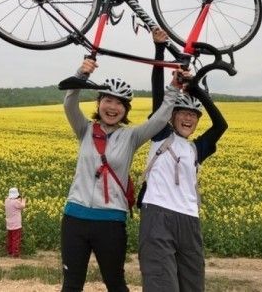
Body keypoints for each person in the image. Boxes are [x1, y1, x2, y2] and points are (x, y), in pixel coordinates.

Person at [61, 49, 188, 292]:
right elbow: (69, 103)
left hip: (110, 222)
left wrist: (174, 87)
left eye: (120, 102)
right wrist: (82, 74)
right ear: (99, 103)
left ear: (125, 110)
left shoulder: (130, 137)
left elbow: (160, 119)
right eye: (108, 99)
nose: (113, 106)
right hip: (74, 219)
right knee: (71, 285)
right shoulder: (85, 129)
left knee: (116, 284)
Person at [138, 29, 228, 292]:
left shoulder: (196, 149)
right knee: (160, 285)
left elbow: (221, 125)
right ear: (172, 116)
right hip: (157, 214)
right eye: (182, 113)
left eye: (194, 116)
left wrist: (197, 91)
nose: (188, 119)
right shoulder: (161, 134)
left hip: (190, 219)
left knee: (193, 286)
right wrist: (158, 49)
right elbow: (158, 94)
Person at [4, 187, 26, 258]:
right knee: (16, 239)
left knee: (10, 238)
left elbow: (13, 203)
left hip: (9, 224)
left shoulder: (6, 200)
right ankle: (15, 254)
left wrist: (18, 200)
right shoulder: (16, 202)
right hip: (16, 224)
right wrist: (23, 200)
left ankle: (10, 252)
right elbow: (22, 206)